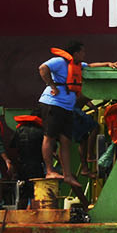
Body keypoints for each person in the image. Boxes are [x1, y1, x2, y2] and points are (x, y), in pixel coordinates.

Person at [37, 41, 86, 186]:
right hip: (53, 104)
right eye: (82, 52)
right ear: (76, 53)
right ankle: (49, 170)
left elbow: (92, 66)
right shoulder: (59, 61)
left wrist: (109, 63)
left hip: (67, 108)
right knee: (49, 137)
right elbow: (43, 68)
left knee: (65, 141)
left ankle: (67, 175)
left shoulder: (77, 65)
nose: (84, 54)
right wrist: (52, 85)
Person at [7, 114, 46, 206]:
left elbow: (11, 145)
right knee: (36, 192)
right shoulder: (41, 131)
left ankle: (20, 215)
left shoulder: (19, 130)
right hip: (36, 165)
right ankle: (35, 214)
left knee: (23, 193)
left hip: (22, 165)